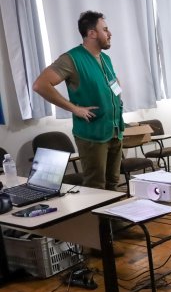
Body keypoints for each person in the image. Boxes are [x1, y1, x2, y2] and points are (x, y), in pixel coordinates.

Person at [33, 11, 124, 191]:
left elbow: (113, 85)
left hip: (114, 130)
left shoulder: (105, 58)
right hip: (93, 134)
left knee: (113, 183)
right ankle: (97, 212)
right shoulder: (72, 59)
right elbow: (40, 85)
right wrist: (75, 108)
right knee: (96, 186)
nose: (110, 33)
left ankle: (114, 211)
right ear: (92, 33)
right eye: (105, 29)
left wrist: (116, 97)